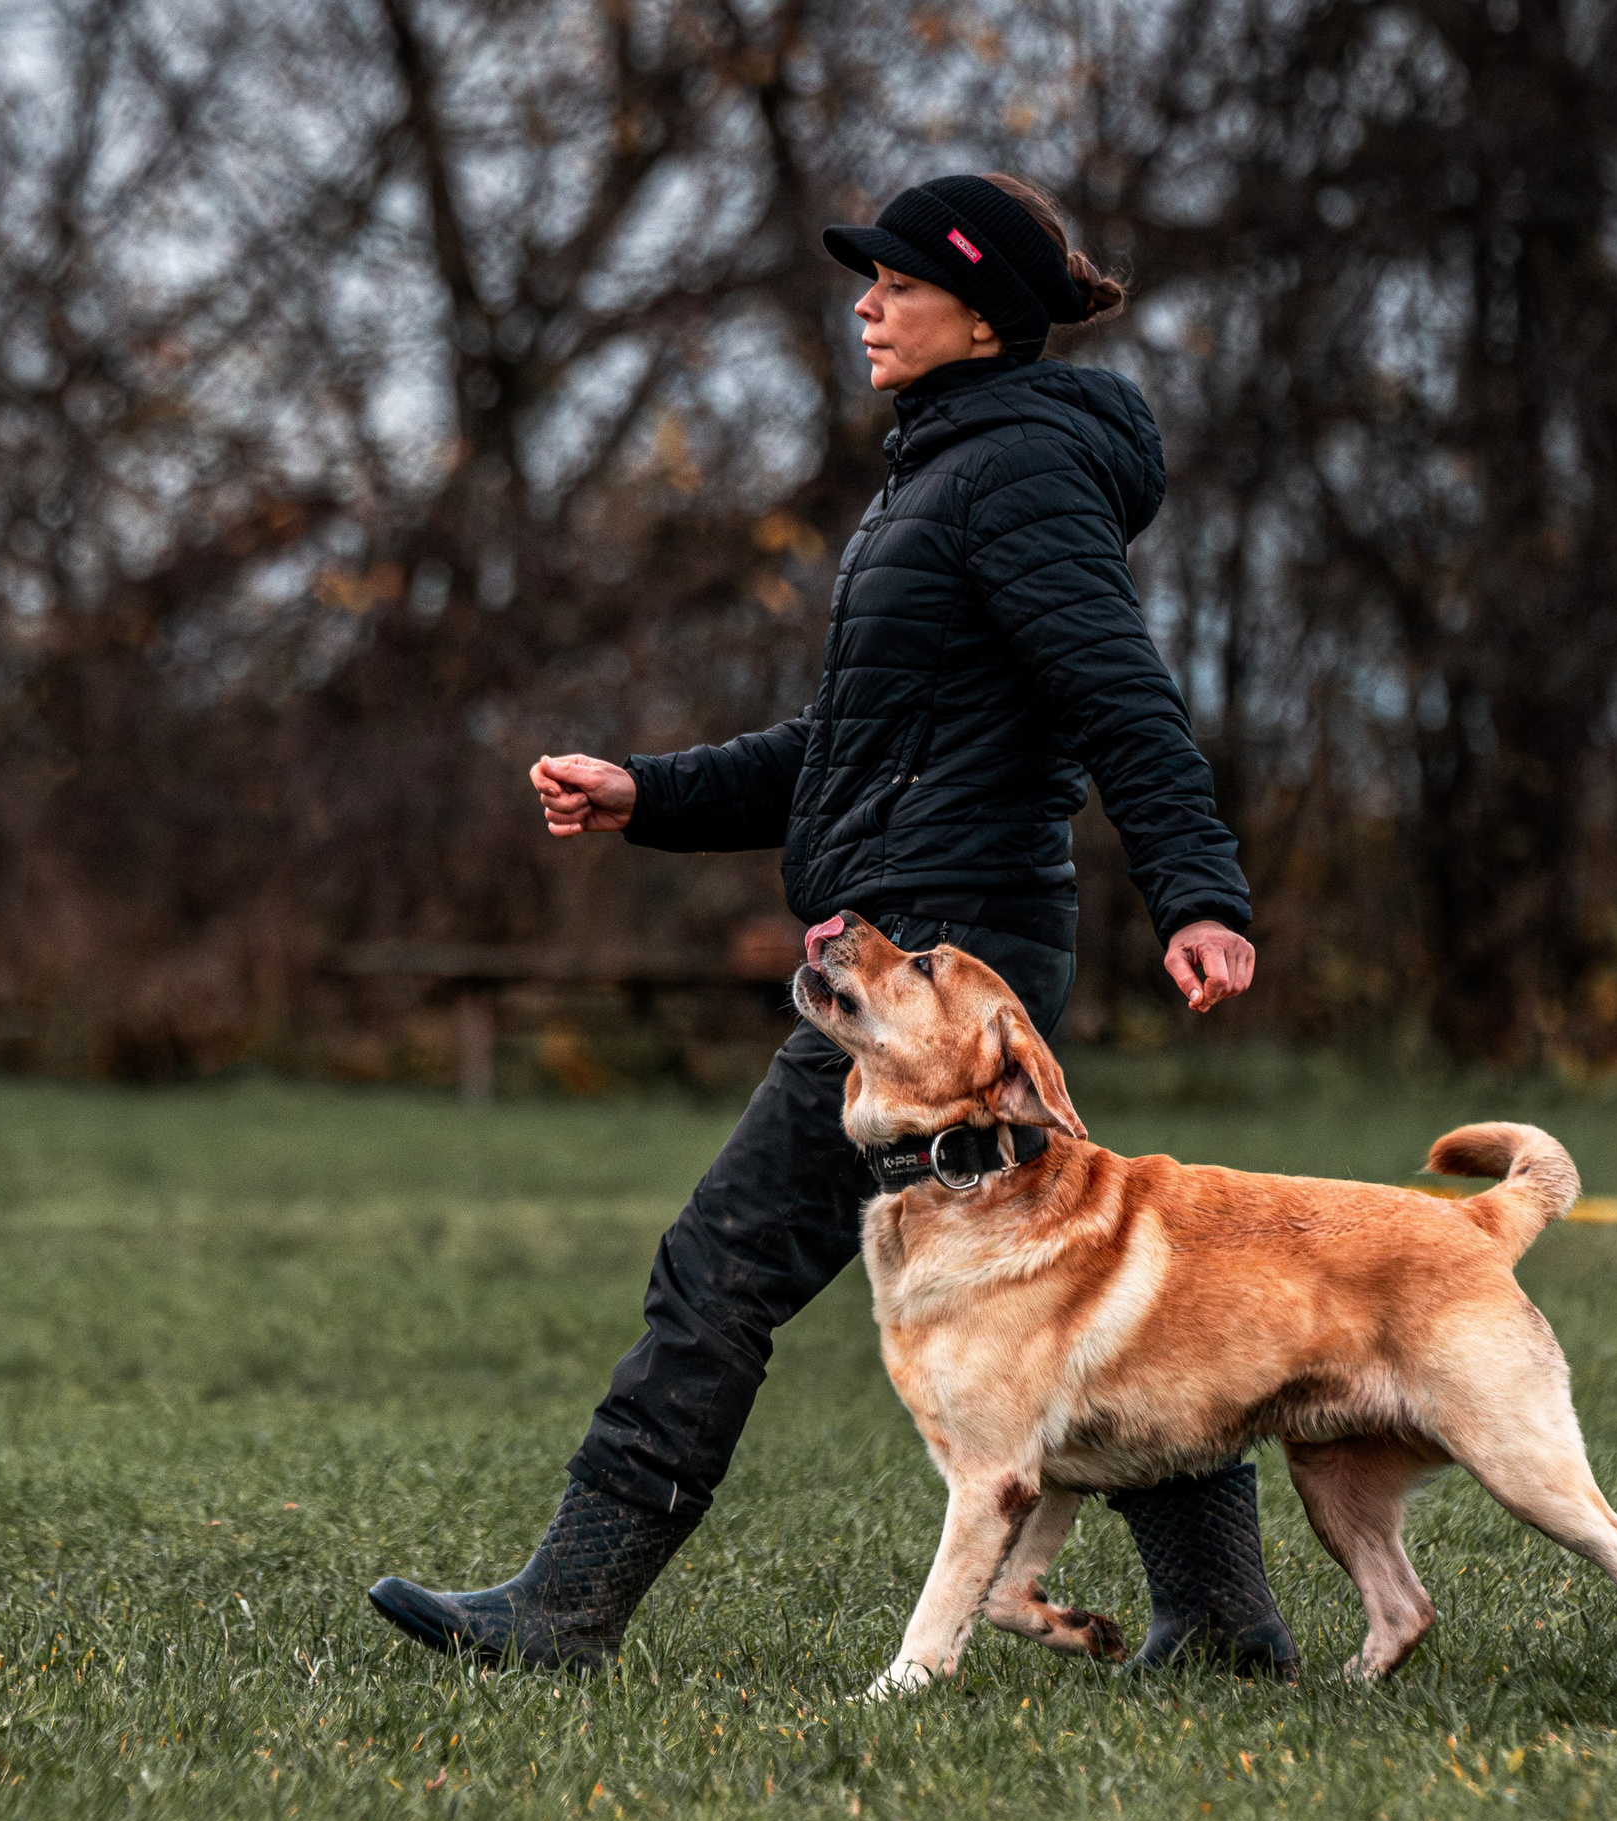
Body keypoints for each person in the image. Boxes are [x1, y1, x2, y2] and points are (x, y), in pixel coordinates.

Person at [369, 173, 1296, 1679]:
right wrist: (647, 794)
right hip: (939, 942)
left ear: (980, 310)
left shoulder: (1013, 477)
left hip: (939, 970)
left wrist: (1199, 892)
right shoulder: (949, 469)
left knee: (722, 1264)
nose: (865, 303)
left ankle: (561, 1612)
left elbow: (1121, 694)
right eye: (864, 278)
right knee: (1085, 1286)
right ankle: (1225, 1621)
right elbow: (853, 743)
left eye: (895, 281)